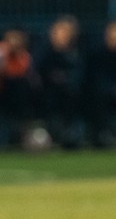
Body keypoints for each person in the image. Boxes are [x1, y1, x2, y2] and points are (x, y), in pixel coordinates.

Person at [0, 28, 40, 146]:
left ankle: (19, 142)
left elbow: (27, 74)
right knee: (1, 120)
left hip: (15, 97)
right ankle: (1, 144)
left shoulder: (23, 55)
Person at [35, 16, 84, 149]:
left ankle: (72, 134)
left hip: (71, 95)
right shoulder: (42, 52)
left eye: (70, 32)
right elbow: (35, 73)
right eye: (63, 31)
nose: (66, 36)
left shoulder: (78, 53)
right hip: (46, 95)